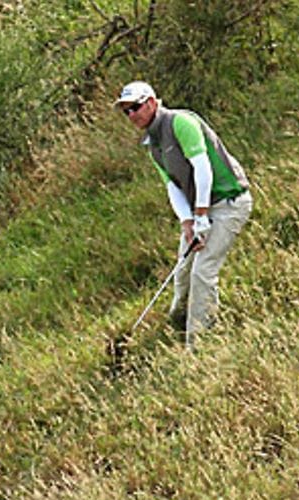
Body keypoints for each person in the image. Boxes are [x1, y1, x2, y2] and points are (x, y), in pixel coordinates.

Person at [115, 81, 253, 349]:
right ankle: (176, 324)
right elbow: (172, 186)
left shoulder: (181, 122)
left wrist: (202, 216)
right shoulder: (152, 143)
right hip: (199, 210)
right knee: (183, 271)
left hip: (229, 202)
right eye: (126, 111)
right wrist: (188, 223)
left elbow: (203, 169)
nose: (132, 115)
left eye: (136, 107)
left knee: (203, 271)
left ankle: (199, 344)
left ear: (152, 103)